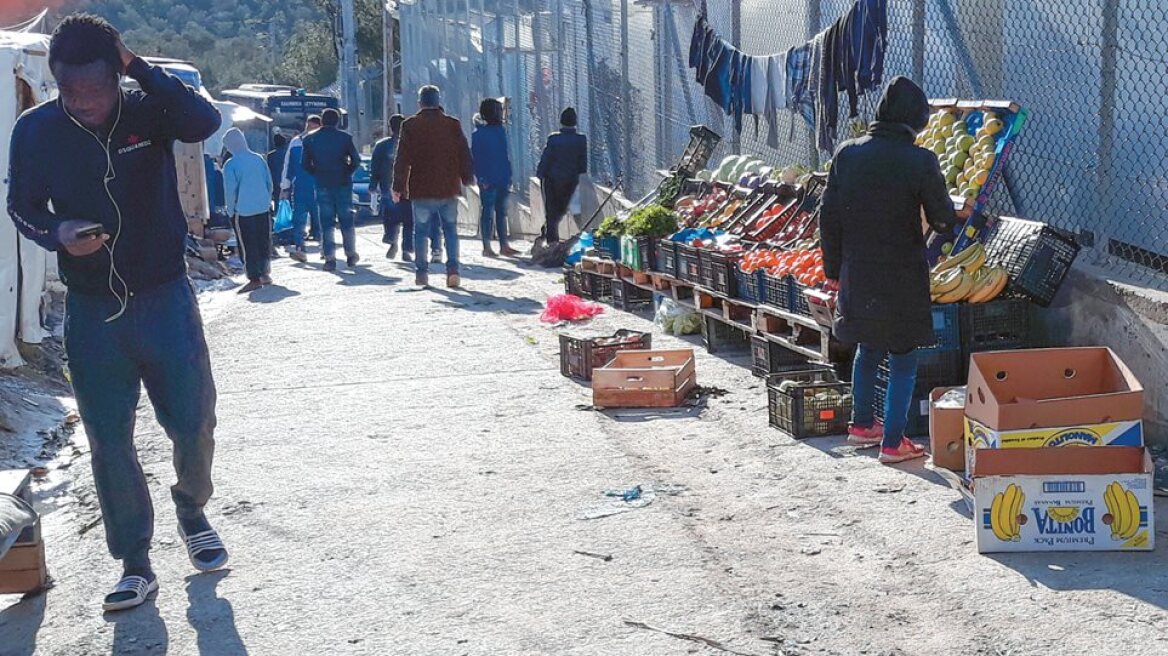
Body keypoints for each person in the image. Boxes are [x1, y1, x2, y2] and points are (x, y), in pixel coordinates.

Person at [6, 14, 227, 611]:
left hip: (166, 298)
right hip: (93, 312)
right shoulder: (36, 129)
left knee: (194, 422)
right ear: (56, 83)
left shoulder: (147, 109)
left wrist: (138, 68)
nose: (85, 104)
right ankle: (134, 561)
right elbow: (19, 206)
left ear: (116, 71)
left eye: (97, 90)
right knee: (109, 441)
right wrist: (58, 231)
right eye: (71, 93)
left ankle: (192, 509)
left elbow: (204, 121)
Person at [819, 76, 957, 465]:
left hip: (857, 270)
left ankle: (863, 424)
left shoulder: (847, 154)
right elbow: (942, 218)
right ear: (916, 120)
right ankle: (894, 443)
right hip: (901, 273)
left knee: (867, 346)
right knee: (903, 355)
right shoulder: (920, 160)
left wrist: (833, 267)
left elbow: (827, 217)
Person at [392, 85, 474, 288]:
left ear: (420, 103)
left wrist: (398, 186)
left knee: (420, 231)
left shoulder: (410, 125)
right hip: (448, 187)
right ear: (438, 102)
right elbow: (463, 152)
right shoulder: (452, 124)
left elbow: (402, 158)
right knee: (450, 231)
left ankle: (422, 273)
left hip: (421, 189)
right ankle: (453, 270)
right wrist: (467, 177)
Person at [302, 108, 361, 272]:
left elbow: (305, 164)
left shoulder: (310, 139)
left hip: (322, 183)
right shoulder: (345, 138)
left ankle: (329, 258)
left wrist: (317, 173)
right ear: (337, 121)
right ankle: (350, 254)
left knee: (326, 223)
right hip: (343, 183)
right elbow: (356, 160)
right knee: (346, 220)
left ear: (321, 120)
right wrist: (346, 172)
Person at [223, 128, 274, 293]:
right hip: (262, 207)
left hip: (243, 211)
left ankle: (254, 278)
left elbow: (230, 192)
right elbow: (269, 184)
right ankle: (265, 273)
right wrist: (266, 201)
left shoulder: (231, 164)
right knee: (263, 241)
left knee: (247, 244)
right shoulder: (259, 159)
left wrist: (230, 211)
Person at [471, 98, 518, 257]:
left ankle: (504, 245)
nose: (501, 113)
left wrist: (509, 175)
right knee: (488, 213)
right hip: (488, 180)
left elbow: (506, 155)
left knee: (501, 212)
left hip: (502, 177)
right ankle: (487, 246)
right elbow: (477, 158)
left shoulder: (500, 131)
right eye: (498, 110)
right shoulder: (479, 134)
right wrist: (482, 178)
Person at [536, 107, 587, 243]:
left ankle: (552, 241)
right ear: (575, 122)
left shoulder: (553, 138)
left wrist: (540, 173)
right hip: (570, 180)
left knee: (551, 210)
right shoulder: (581, 140)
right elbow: (583, 163)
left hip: (551, 179)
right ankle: (548, 232)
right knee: (562, 209)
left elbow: (546, 157)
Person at [281, 115, 322, 261]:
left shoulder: (301, 142)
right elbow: (288, 166)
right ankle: (302, 247)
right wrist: (285, 187)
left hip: (313, 187)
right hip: (305, 188)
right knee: (301, 219)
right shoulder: (297, 142)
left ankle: (317, 246)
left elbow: (288, 166)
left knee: (314, 219)